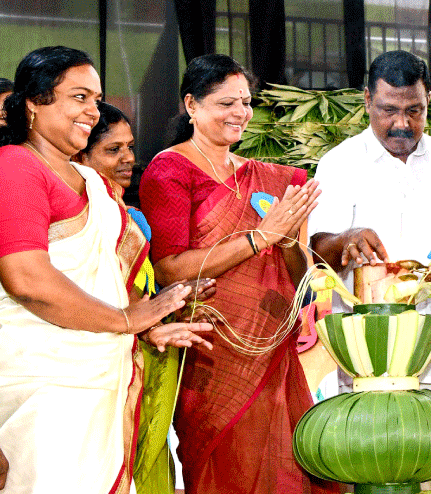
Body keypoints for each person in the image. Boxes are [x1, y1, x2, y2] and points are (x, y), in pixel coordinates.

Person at [0, 46, 211, 494]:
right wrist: (126, 321)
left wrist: (146, 326)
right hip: (45, 386)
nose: (92, 111)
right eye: (79, 97)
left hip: (102, 376)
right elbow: (26, 279)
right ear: (35, 102)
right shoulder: (15, 167)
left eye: (96, 99)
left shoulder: (95, 183)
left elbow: (112, 277)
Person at [139, 53, 335, 494]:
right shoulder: (169, 170)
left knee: (287, 469)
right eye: (226, 103)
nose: (240, 114)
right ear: (191, 105)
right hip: (210, 351)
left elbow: (301, 275)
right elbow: (168, 268)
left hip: (271, 348)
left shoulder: (269, 179)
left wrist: (286, 239)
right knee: (225, 469)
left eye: (245, 103)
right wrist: (260, 237)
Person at [307, 49, 431, 494]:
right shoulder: (339, 163)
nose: (402, 124)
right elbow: (315, 250)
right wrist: (345, 238)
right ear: (367, 100)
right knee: (381, 478)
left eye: (415, 111)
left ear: (430, 103)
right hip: (372, 364)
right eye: (389, 110)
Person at [76, 101, 218, 494]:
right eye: (112, 150)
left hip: (150, 356)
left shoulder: (131, 216)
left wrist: (174, 299)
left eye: (130, 147)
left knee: (150, 460)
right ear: (81, 155)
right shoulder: (79, 216)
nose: (128, 159)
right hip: (100, 358)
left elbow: (139, 292)